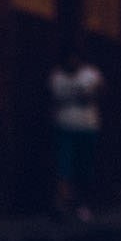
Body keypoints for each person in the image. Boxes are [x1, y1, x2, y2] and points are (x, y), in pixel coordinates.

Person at [49, 42, 104, 221]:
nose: (72, 62)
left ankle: (82, 204)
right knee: (64, 166)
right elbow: (54, 100)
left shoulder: (91, 75)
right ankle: (63, 204)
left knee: (84, 167)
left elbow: (97, 93)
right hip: (65, 126)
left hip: (87, 126)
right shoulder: (57, 77)